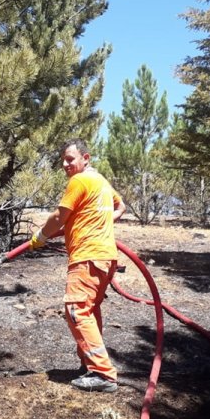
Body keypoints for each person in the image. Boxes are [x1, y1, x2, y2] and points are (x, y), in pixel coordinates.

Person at [30, 139, 126, 392]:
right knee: (89, 310)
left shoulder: (80, 181)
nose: (65, 164)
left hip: (88, 256)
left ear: (86, 158)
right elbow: (121, 206)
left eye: (70, 159)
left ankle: (104, 374)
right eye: (63, 159)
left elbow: (59, 217)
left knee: (76, 309)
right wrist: (98, 220)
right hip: (106, 256)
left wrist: (41, 236)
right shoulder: (101, 182)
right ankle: (90, 364)